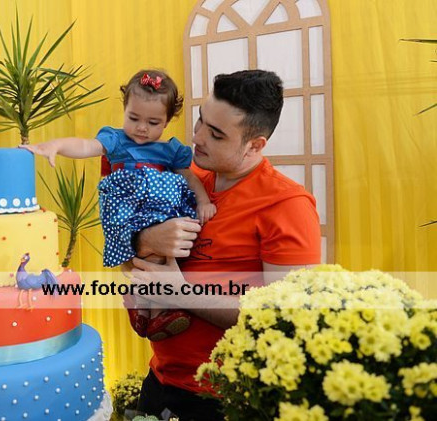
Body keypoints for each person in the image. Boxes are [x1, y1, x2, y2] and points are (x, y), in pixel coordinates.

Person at [127, 70, 321, 421]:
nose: (197, 136)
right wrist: (145, 239)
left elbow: (283, 318)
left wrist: (182, 294)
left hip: (226, 397)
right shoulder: (186, 176)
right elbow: (127, 243)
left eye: (216, 134)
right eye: (201, 120)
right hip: (159, 380)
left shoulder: (287, 205)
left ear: (255, 145)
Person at [21, 69, 217, 341]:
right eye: (133, 118)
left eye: (153, 122)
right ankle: (153, 309)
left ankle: (150, 310)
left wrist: (203, 200)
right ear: (124, 109)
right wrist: (56, 145)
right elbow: (85, 146)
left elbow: (190, 178)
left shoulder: (171, 150)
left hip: (158, 213)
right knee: (142, 257)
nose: (141, 128)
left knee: (162, 256)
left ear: (167, 121)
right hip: (126, 213)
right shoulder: (116, 141)